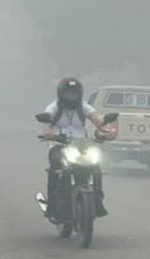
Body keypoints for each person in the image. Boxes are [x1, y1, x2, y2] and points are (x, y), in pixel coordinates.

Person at [42, 77, 112, 218]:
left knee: (96, 168)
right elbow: (47, 123)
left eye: (74, 93)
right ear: (61, 93)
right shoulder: (53, 107)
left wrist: (105, 131)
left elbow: (97, 118)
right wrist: (49, 134)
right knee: (56, 167)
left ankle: (97, 201)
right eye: (68, 93)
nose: (71, 96)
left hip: (82, 144)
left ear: (79, 94)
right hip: (59, 144)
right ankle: (52, 205)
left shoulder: (83, 106)